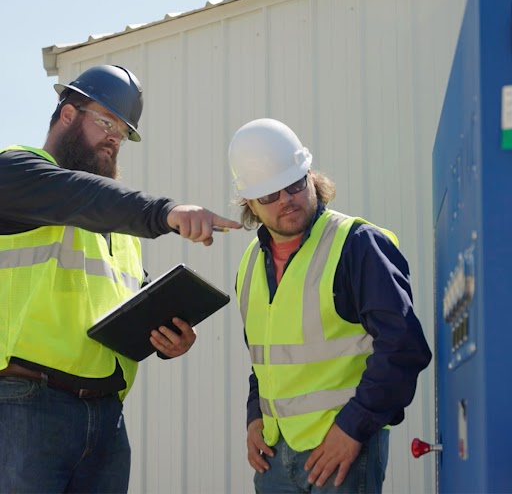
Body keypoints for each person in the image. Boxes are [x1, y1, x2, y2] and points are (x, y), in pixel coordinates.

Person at [0, 64, 241, 493]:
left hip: (107, 419)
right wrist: (164, 212)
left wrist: (169, 337)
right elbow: (78, 196)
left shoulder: (113, 220)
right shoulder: (15, 172)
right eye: (106, 121)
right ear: (68, 114)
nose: (115, 137)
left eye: (124, 132)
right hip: (26, 406)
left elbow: (123, 306)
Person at [228, 118, 432, 494]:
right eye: (269, 195)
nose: (286, 200)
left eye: (293, 184)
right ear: (251, 205)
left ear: (311, 177)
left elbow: (403, 347)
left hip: (340, 452)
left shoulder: (356, 244)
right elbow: (267, 359)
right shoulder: (250, 264)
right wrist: (255, 416)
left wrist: (353, 428)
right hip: (273, 456)